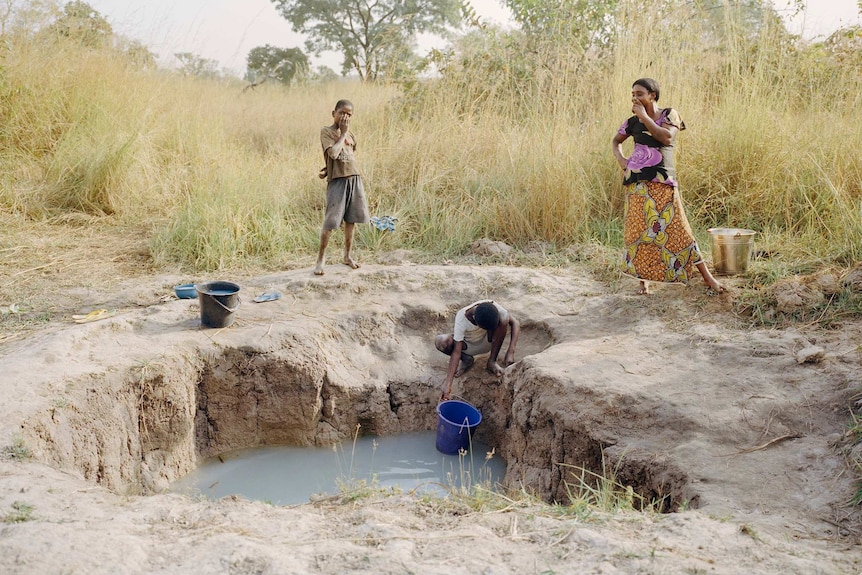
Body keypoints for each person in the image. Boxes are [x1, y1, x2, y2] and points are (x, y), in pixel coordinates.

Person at [611, 78, 724, 295]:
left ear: (652, 95)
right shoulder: (631, 122)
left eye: (640, 93)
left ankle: (708, 278)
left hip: (663, 182)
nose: (635, 98)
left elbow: (665, 138)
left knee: (679, 229)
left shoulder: (669, 114)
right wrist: (622, 160)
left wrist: (644, 116)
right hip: (637, 184)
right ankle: (643, 280)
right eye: (633, 94)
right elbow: (615, 141)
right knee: (639, 232)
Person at [314, 99, 370, 276]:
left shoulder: (351, 135)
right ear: (334, 113)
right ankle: (320, 260)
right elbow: (333, 153)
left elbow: (349, 155)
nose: (345, 117)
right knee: (330, 222)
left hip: (354, 179)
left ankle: (347, 256)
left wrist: (346, 134)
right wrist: (343, 133)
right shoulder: (327, 132)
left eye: (349, 114)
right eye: (342, 113)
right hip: (337, 181)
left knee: (351, 220)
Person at [435, 300, 520, 400]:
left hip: (489, 342)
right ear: (474, 318)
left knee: (504, 317)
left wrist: (511, 351)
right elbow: (456, 352)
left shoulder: (491, 306)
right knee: (441, 341)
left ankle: (492, 361)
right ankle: (467, 359)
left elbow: (515, 323)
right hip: (468, 347)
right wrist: (447, 385)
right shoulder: (461, 318)